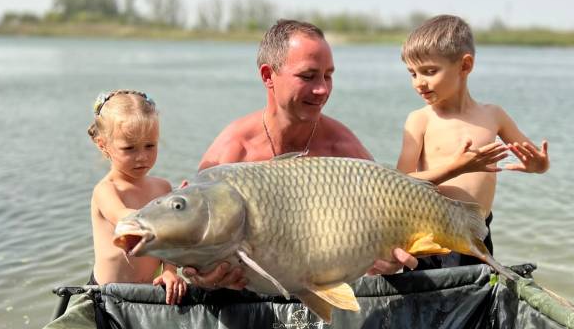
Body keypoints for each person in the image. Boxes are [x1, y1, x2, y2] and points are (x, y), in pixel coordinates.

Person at [187, 19, 421, 290]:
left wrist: (391, 262)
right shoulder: (233, 151)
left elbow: (391, 233)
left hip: (325, 295)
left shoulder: (343, 150)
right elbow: (188, 246)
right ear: (267, 76)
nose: (322, 89)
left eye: (328, 75)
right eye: (308, 76)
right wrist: (200, 277)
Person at [396, 15, 550, 267]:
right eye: (412, 73)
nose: (418, 83)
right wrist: (457, 167)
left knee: (476, 295)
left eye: (429, 72)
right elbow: (400, 184)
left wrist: (538, 165)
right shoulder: (420, 120)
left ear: (465, 66)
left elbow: (535, 162)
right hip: (431, 236)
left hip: (478, 233)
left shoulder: (493, 115)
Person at [87, 89, 187, 304]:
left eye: (150, 146)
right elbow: (125, 217)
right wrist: (169, 212)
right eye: (129, 148)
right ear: (103, 145)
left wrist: (170, 270)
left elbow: (169, 242)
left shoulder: (162, 187)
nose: (142, 157)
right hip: (107, 296)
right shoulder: (106, 190)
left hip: (146, 295)